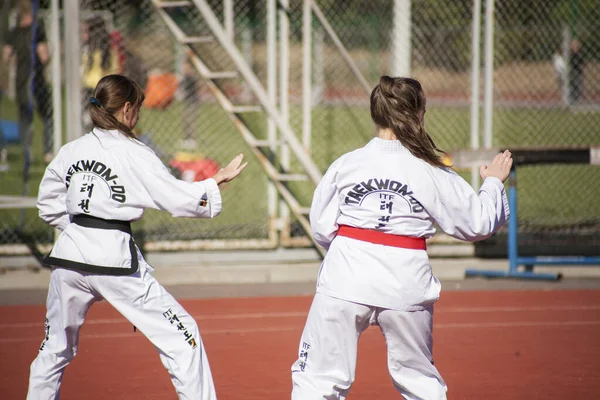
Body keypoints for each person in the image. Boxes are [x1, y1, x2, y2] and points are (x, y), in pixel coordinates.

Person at [291, 76, 512, 400]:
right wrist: (492, 183)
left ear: (375, 114)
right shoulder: (431, 169)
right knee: (420, 383)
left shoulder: (346, 165)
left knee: (317, 382)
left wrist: (354, 252)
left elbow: (322, 228)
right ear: (419, 113)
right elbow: (476, 224)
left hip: (345, 277)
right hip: (406, 280)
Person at [28, 74, 248, 399]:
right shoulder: (134, 152)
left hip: (69, 260)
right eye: (139, 109)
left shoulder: (71, 150)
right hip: (115, 263)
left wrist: (78, 230)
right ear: (128, 108)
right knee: (183, 337)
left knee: (54, 349)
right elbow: (174, 196)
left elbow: (47, 203)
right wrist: (213, 183)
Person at [2, 0, 53, 163]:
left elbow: (6, 56)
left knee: (24, 118)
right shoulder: (37, 31)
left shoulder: (14, 32)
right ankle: (48, 152)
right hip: (36, 81)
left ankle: (26, 152)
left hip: (20, 81)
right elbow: (44, 57)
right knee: (47, 116)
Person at [81, 15, 120, 131]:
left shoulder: (89, 50)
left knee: (89, 124)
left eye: (86, 31)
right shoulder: (109, 50)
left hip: (91, 91)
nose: (83, 35)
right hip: (105, 91)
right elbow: (116, 70)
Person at [568, 38, 584, 104]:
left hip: (577, 71)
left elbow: (582, 63)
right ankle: (572, 100)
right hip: (572, 71)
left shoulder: (579, 54)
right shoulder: (570, 54)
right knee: (572, 86)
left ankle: (577, 100)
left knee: (577, 85)